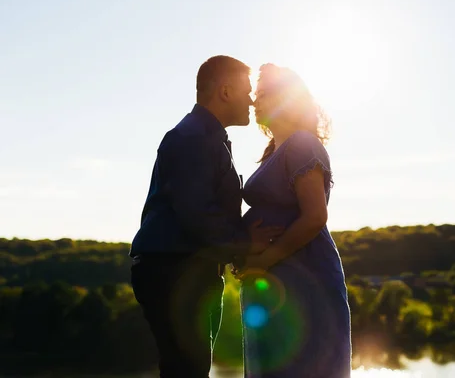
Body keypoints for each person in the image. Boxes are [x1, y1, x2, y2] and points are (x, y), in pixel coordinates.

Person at [129, 55, 283, 378]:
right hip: (173, 270)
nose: (252, 99)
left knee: (191, 369)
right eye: (246, 90)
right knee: (186, 370)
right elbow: (196, 213)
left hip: (186, 269)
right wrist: (245, 242)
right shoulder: (192, 138)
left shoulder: (205, 136)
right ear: (225, 92)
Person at [235, 63, 352, 378]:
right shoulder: (275, 150)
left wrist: (266, 259)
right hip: (273, 277)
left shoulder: (302, 144)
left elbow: (315, 216)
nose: (253, 102)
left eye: (261, 94)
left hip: (304, 277)